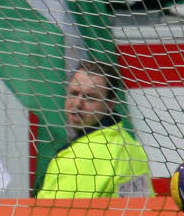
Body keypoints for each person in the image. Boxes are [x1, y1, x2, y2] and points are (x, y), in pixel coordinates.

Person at [35, 60, 152, 199]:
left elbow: (49, 215)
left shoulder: (77, 157)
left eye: (90, 97)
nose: (77, 104)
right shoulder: (133, 148)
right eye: (73, 93)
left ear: (110, 104)